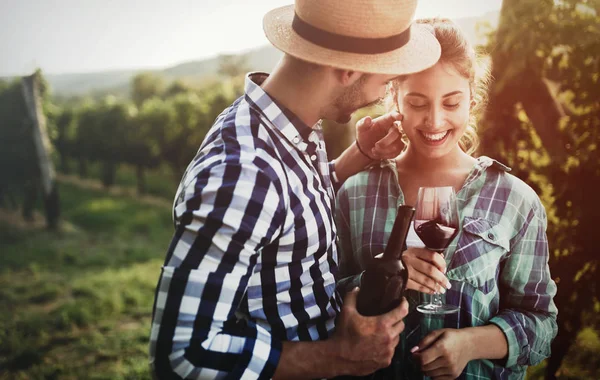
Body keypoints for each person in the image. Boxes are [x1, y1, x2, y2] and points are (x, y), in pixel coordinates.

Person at [149, 0, 443, 378]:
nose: (383, 92)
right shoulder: (244, 175)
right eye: (387, 79)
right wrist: (339, 356)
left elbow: (288, 207)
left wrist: (359, 155)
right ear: (349, 69)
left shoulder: (280, 125)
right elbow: (182, 356)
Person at [336, 18, 558, 380]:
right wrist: (381, 278)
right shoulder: (355, 193)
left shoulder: (515, 200)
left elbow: (541, 322)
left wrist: (472, 344)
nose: (435, 120)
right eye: (418, 103)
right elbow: (319, 301)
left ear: (473, 98)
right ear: (395, 100)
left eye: (451, 102)